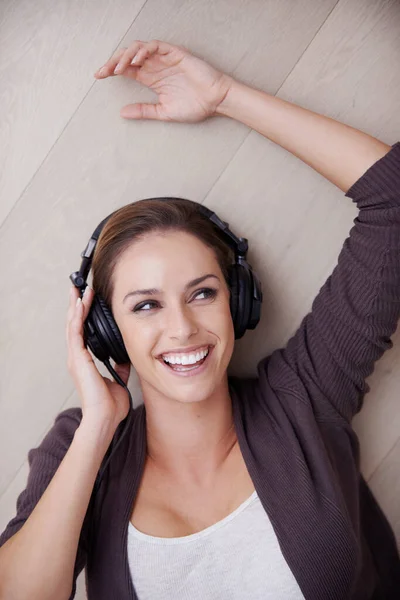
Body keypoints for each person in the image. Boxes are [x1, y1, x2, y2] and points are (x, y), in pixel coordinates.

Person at [0, 39, 399, 600]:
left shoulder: (304, 399)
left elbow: (394, 199)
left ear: (237, 301)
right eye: (145, 305)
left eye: (203, 293)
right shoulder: (82, 445)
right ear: (106, 330)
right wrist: (98, 424)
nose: (183, 328)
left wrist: (226, 96)